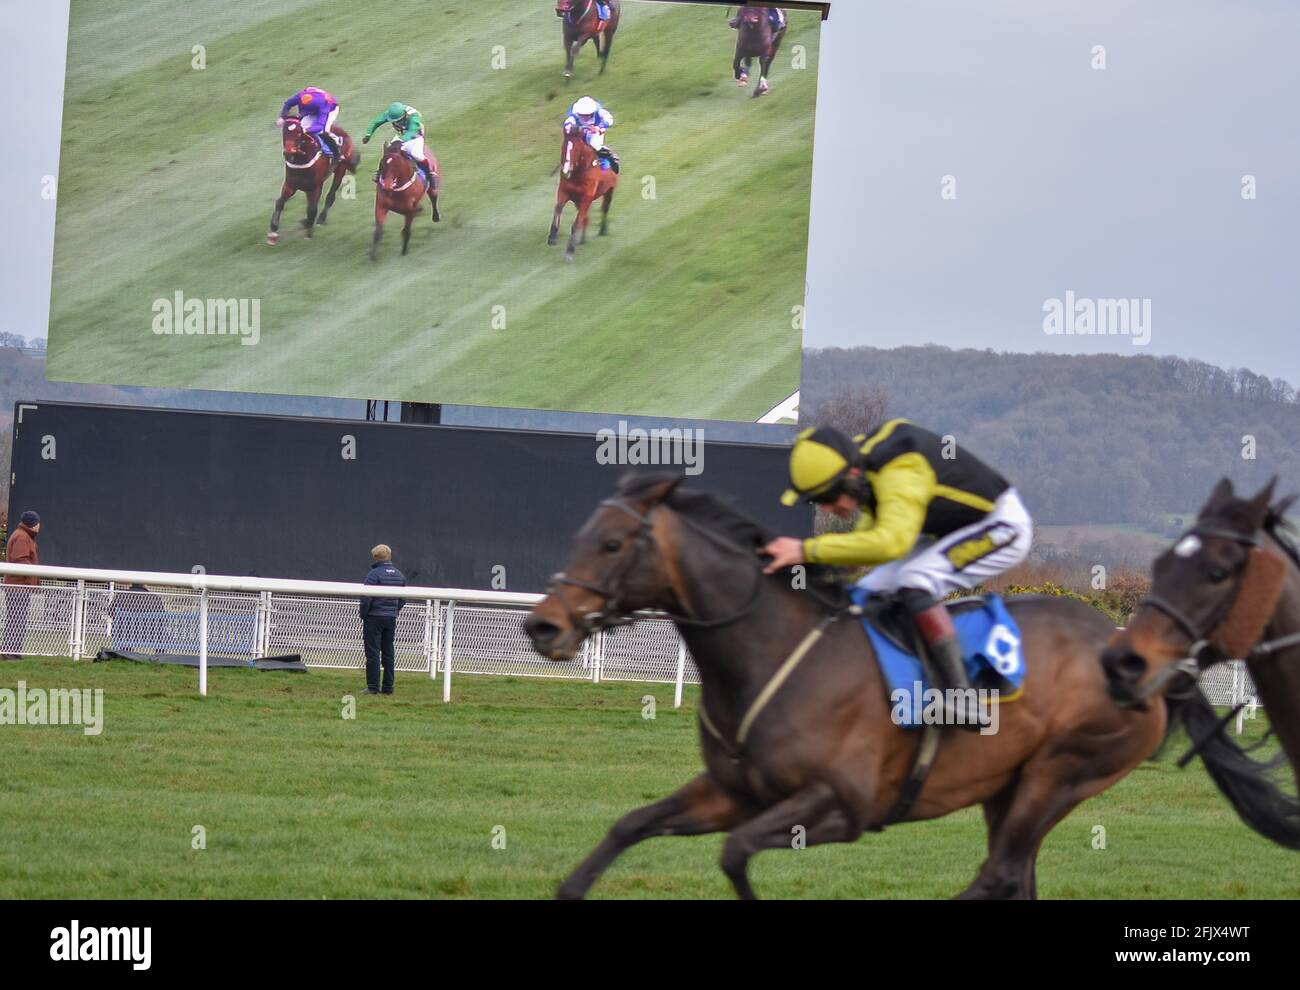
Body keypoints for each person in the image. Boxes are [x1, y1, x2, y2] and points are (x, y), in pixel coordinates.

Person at [761, 422, 1032, 694]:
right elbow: (867, 537)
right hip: (949, 531)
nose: (827, 509)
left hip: (1000, 526)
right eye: (816, 501)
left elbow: (892, 543)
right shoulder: (861, 466)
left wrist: (806, 550)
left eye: (828, 497)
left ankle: (959, 691)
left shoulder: (901, 467)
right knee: (868, 591)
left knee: (914, 581)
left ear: (851, 475)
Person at [363, 102, 439, 193]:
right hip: (401, 136)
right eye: (394, 121)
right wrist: (368, 134)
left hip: (415, 136)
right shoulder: (391, 114)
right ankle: (379, 173)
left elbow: (412, 130)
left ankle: (431, 174)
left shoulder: (414, 115)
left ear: (405, 115)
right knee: (389, 153)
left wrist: (401, 140)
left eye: (398, 120)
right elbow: (376, 122)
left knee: (416, 155)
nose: (396, 122)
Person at [360, 544, 406, 695]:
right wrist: (394, 610)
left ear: (375, 557)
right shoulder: (399, 575)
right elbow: (403, 598)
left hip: (374, 617)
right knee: (388, 652)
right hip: (390, 618)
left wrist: (364, 614)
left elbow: (366, 598)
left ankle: (373, 687)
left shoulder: (373, 574)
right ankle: (388, 687)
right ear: (389, 556)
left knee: (373, 652)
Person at [3, 510, 41, 659]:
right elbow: (21, 561)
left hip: (19, 586)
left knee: (17, 621)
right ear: (32, 524)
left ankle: (12, 651)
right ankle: (9, 652)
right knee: (16, 621)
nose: (39, 526)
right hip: (18, 587)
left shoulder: (23, 536)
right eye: (38, 523)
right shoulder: (22, 537)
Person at [277, 86, 343, 159]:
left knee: (323, 132)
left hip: (331, 109)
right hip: (314, 109)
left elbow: (320, 125)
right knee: (300, 126)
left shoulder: (323, 106)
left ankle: (334, 146)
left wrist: (306, 130)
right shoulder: (300, 96)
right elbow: (288, 103)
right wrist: (282, 117)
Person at [564, 96, 619, 173]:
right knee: (570, 145)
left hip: (595, 133)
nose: (584, 117)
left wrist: (599, 127)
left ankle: (606, 160)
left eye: (587, 115)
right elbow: (567, 125)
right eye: (582, 115)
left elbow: (609, 119)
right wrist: (579, 128)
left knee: (594, 143)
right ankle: (567, 165)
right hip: (580, 135)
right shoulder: (573, 116)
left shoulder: (600, 112)